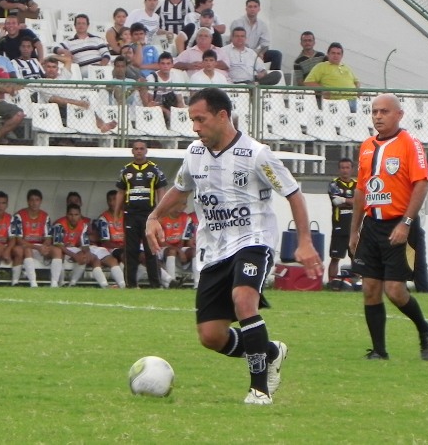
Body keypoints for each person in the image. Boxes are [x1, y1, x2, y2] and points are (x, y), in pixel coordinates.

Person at [145, 87, 322, 405]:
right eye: (192, 120)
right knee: (211, 336)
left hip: (253, 241)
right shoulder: (194, 154)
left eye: (200, 119)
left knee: (244, 300)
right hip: (212, 250)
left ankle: (259, 390)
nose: (195, 127)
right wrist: (154, 216)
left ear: (222, 116)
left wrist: (305, 242)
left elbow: (293, 193)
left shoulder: (255, 154)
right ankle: (269, 351)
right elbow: (180, 188)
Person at [349, 93, 428, 361]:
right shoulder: (366, 146)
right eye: (374, 111)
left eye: (384, 111)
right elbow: (361, 190)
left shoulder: (411, 144)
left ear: (399, 115)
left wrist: (406, 223)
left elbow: (421, 184)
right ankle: (379, 351)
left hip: (399, 225)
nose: (378, 116)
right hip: (372, 227)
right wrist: (355, 230)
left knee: (396, 291)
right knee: (370, 288)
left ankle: (424, 330)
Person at [115, 141, 168, 288]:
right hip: (130, 214)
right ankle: (130, 284)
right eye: (136, 149)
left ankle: (155, 284)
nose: (139, 151)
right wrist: (116, 213)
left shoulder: (154, 170)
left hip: (148, 215)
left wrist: (160, 212)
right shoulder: (126, 171)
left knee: (151, 248)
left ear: (146, 151)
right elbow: (120, 192)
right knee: (130, 250)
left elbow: (161, 191)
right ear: (132, 151)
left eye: (141, 149)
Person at [11, 189, 58, 288]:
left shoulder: (45, 216)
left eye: (37, 200)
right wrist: (37, 248)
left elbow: (48, 237)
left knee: (57, 251)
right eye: (31, 200)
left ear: (40, 201)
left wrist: (44, 247)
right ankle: (33, 283)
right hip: (27, 246)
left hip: (40, 247)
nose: (34, 203)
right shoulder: (19, 216)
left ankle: (54, 283)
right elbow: (19, 240)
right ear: (28, 201)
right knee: (28, 250)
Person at [304, 42, 360, 112]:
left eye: (338, 53)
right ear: (328, 54)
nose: (335, 56)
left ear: (342, 55)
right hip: (335, 103)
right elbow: (308, 82)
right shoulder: (321, 66)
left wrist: (358, 90)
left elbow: (356, 81)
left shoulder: (346, 67)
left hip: (354, 100)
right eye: (333, 53)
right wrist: (323, 90)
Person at [230, 0, 282, 70]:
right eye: (250, 6)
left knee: (276, 54)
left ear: (259, 9)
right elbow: (234, 41)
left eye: (255, 7)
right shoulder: (237, 22)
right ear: (246, 9)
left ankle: (273, 78)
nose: (252, 9)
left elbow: (265, 44)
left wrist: (261, 53)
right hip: (240, 51)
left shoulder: (262, 25)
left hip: (255, 52)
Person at [53, 14, 110, 78]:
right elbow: (55, 48)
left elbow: (106, 54)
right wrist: (64, 51)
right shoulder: (69, 42)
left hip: (99, 68)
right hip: (83, 71)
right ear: (75, 26)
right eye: (79, 23)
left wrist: (102, 65)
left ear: (88, 26)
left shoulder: (97, 39)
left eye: (83, 23)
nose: (81, 25)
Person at [327, 158, 356, 281]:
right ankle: (332, 283)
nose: (345, 170)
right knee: (335, 257)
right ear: (339, 169)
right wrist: (351, 201)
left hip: (354, 227)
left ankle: (356, 282)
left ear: (352, 169)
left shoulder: (357, 184)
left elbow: (361, 202)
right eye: (342, 168)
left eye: (347, 167)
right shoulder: (334, 184)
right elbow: (336, 201)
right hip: (339, 226)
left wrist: (344, 200)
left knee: (356, 256)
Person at [142, 52, 186, 125]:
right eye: (163, 63)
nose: (165, 66)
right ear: (159, 65)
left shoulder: (175, 77)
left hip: (169, 104)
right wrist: (166, 111)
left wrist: (179, 114)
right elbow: (149, 103)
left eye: (168, 64)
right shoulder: (151, 78)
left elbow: (179, 100)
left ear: (172, 65)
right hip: (155, 107)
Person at [97, 189, 125, 262]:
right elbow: (106, 242)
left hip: (126, 247)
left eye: (114, 199)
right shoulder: (103, 218)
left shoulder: (127, 216)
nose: (112, 203)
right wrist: (120, 247)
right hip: (112, 248)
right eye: (109, 200)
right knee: (125, 256)